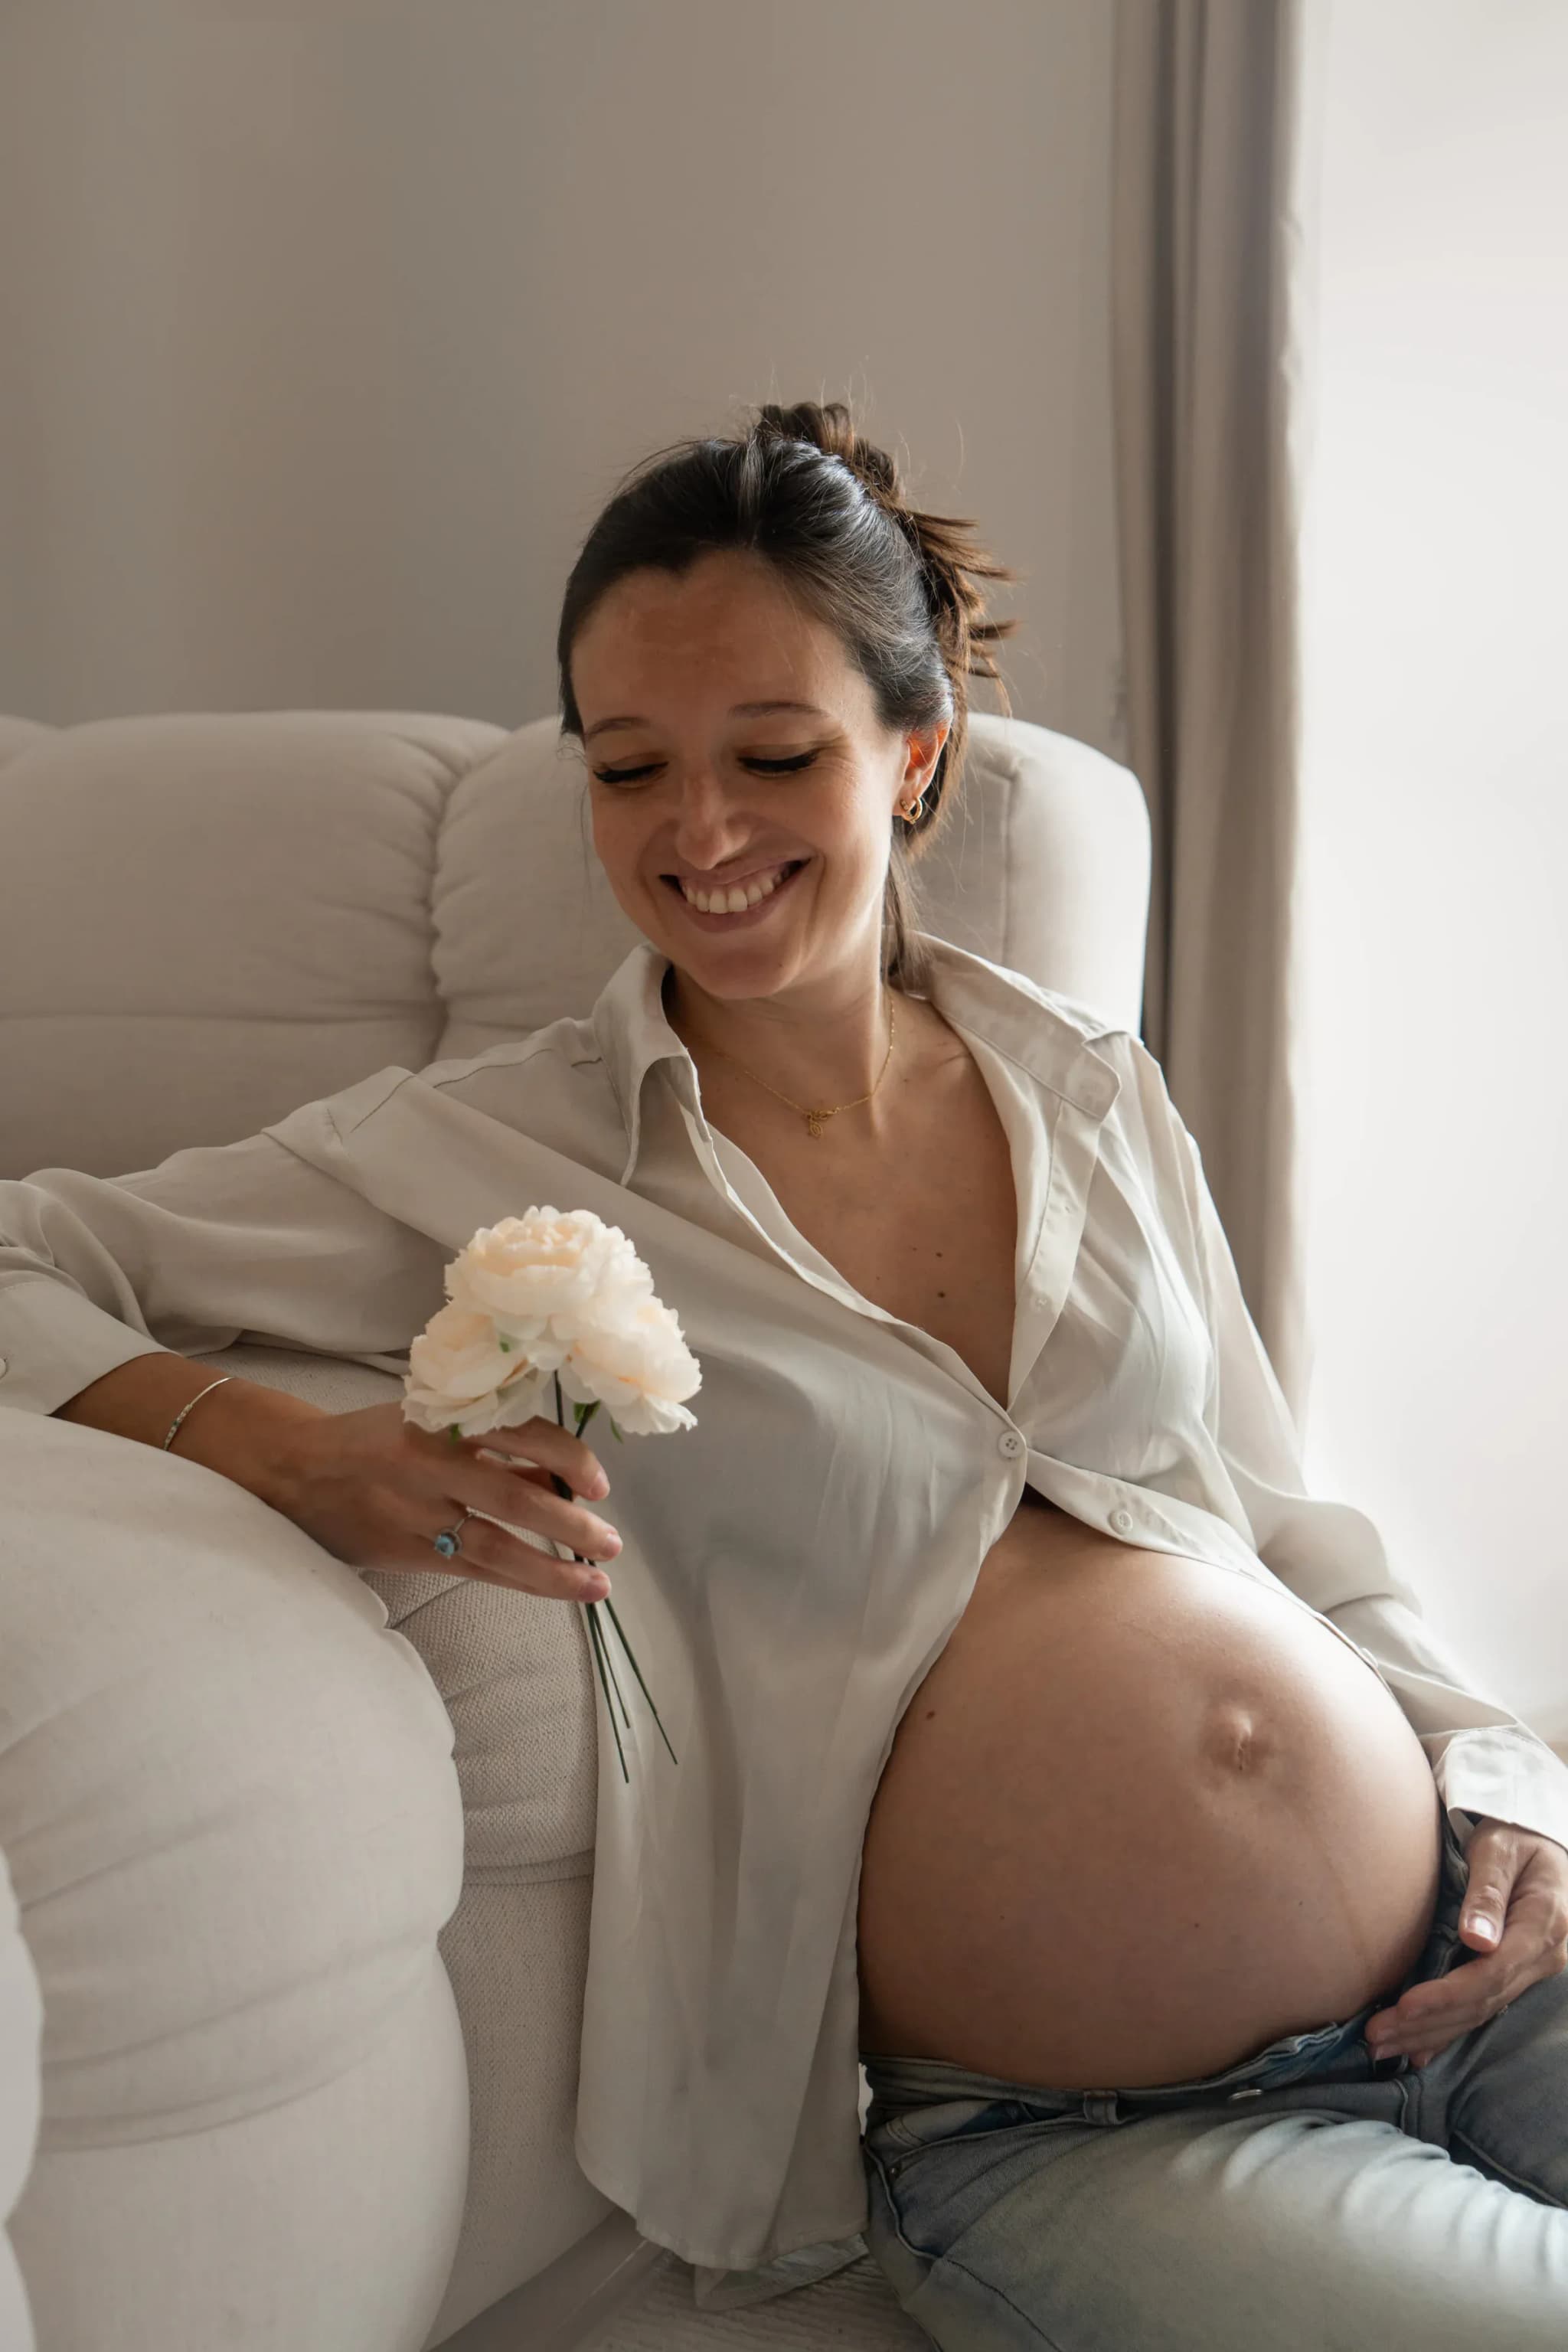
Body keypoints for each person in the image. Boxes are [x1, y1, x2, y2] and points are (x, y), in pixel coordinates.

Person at [3, 400, 1566, 2346]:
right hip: (1092, 2124)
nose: (698, 836)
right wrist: (287, 1449)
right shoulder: (477, 1148)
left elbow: (1280, 1515)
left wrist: (1514, 1783)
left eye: (772, 756)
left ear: (914, 761)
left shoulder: (1087, 1085)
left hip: (1476, 1957)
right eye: (629, 768)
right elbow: (20, 1251)